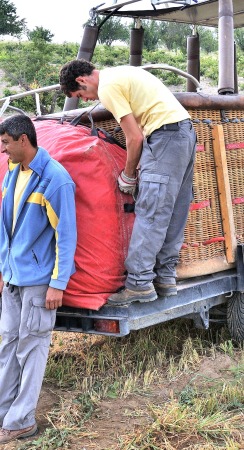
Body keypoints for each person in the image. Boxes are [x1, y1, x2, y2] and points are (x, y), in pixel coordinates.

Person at [0, 114, 76, 445]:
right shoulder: (13, 172)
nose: (2, 150)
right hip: (13, 278)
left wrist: (58, 283)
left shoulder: (55, 179)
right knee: (8, 346)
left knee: (32, 346)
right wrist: (4, 270)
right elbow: (5, 226)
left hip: (39, 281)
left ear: (23, 140)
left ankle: (22, 421)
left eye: (5, 143)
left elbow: (66, 235)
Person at [58, 59, 196, 305]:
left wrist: (128, 175)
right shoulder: (121, 73)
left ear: (82, 80)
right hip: (183, 134)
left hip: (164, 137)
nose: (87, 99)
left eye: (81, 95)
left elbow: (134, 138)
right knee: (175, 210)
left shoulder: (107, 87)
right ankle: (165, 277)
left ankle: (139, 284)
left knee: (151, 210)